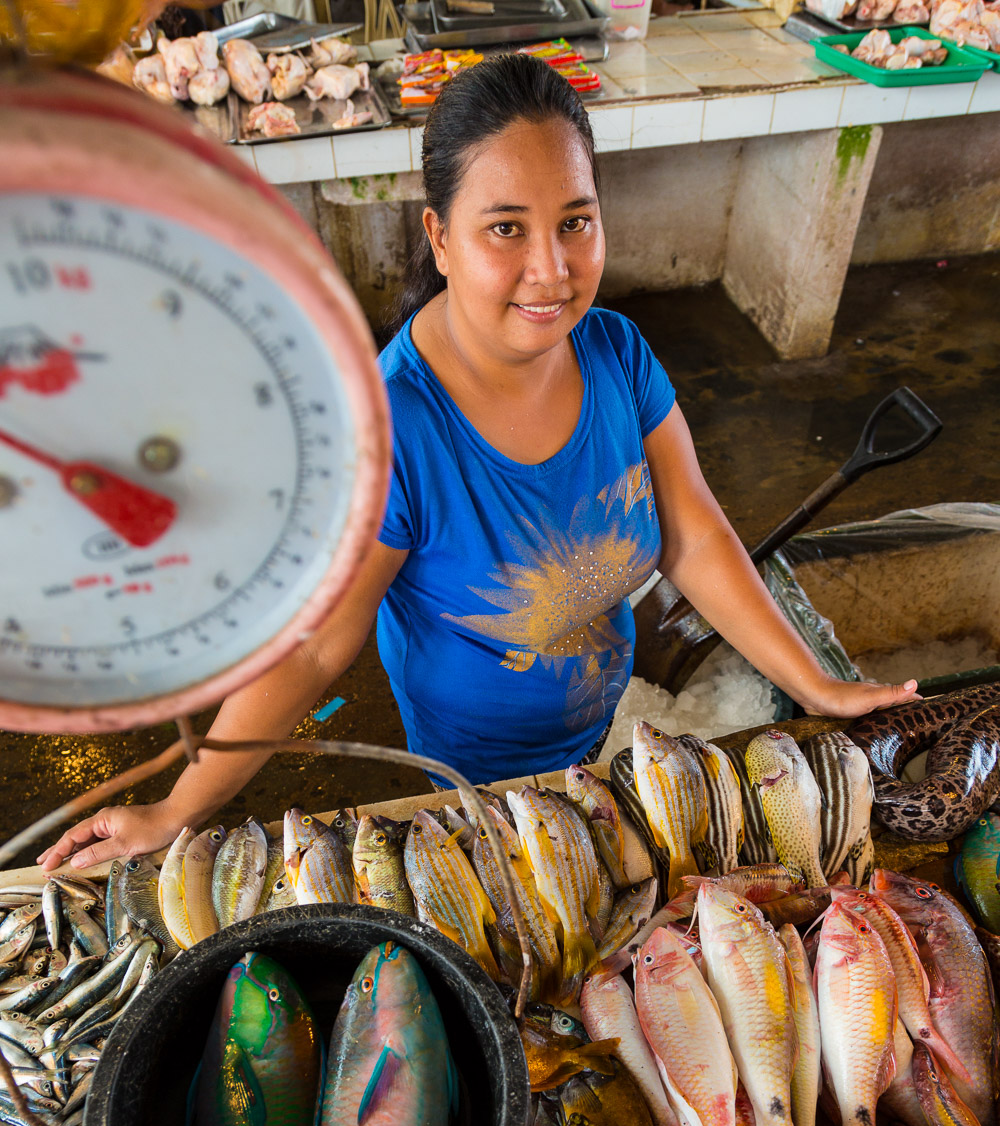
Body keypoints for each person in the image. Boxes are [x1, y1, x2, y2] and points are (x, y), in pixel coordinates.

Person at [39, 54, 917, 873]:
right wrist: (175, 809)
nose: (552, 270)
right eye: (506, 228)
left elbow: (693, 532)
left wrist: (813, 681)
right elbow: (309, 656)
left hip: (607, 739)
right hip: (471, 784)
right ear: (442, 236)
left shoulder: (617, 353)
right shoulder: (394, 429)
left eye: (576, 221)